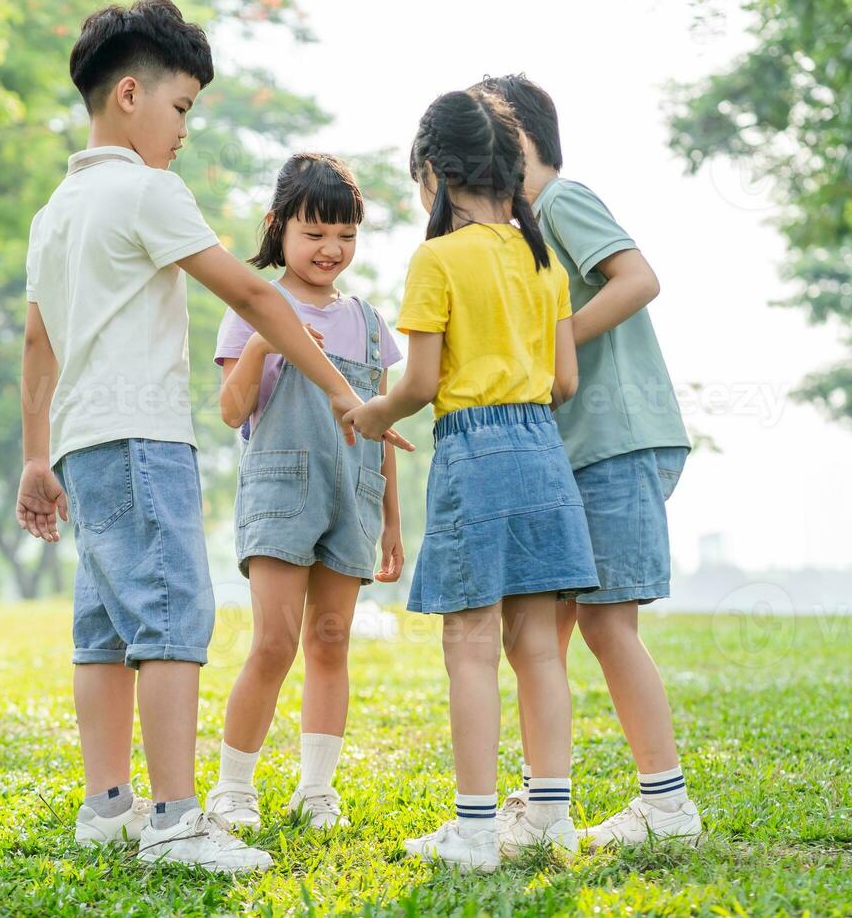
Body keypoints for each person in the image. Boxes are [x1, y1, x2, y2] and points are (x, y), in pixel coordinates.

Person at [15, 0, 410, 873]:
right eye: (182, 107)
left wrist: (37, 456)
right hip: (142, 437)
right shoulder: (147, 189)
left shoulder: (55, 212)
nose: (184, 129)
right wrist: (348, 394)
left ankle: (107, 807)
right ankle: (175, 821)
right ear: (130, 95)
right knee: (170, 618)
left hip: (82, 444)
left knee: (107, 630)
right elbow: (258, 297)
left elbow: (38, 342)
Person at [345, 88, 597, 871]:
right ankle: (550, 819)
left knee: (468, 642)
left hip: (474, 451)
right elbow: (563, 382)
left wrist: (370, 414)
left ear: (433, 172)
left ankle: (476, 831)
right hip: (542, 452)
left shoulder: (437, 258)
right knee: (539, 650)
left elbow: (417, 384)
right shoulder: (540, 257)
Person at [479, 74, 702, 848]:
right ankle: (545, 808)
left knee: (609, 625)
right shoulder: (518, 233)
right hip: (568, 455)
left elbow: (639, 279)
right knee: (535, 632)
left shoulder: (560, 201)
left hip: (617, 441)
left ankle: (668, 809)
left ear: (513, 138)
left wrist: (555, 339)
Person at [207, 154, 405, 831]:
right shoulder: (255, 305)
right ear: (278, 227)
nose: (332, 249)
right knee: (274, 641)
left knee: (331, 641)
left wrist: (392, 524)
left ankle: (316, 790)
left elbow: (379, 426)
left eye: (345, 235)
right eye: (315, 232)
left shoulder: (372, 324)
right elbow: (232, 412)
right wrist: (266, 346)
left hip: (355, 493)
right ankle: (234, 788)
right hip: (281, 490)